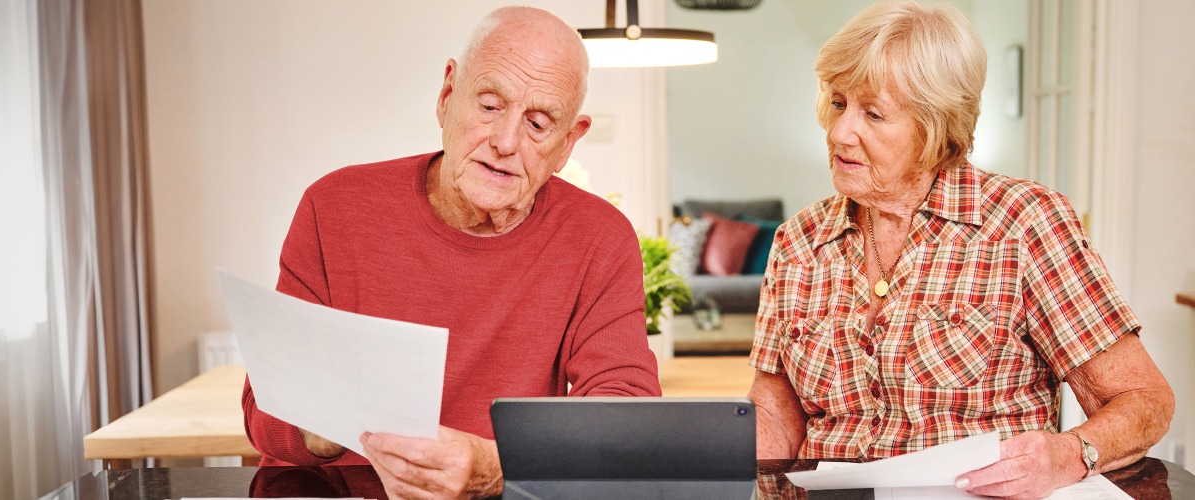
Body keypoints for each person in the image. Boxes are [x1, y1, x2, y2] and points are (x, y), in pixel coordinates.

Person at [748, 1, 1175, 498]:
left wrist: (1069, 453)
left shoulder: (1023, 224)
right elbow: (775, 414)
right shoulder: (798, 242)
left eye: (874, 113)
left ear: (933, 127)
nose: (840, 132)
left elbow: (1143, 399)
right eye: (838, 103)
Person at [240, 6, 662, 499]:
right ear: (447, 96)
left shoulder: (600, 236)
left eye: (539, 123)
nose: (505, 141)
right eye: (488, 105)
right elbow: (263, 414)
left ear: (569, 142)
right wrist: (331, 420)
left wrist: (497, 467)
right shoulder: (333, 206)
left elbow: (627, 418)